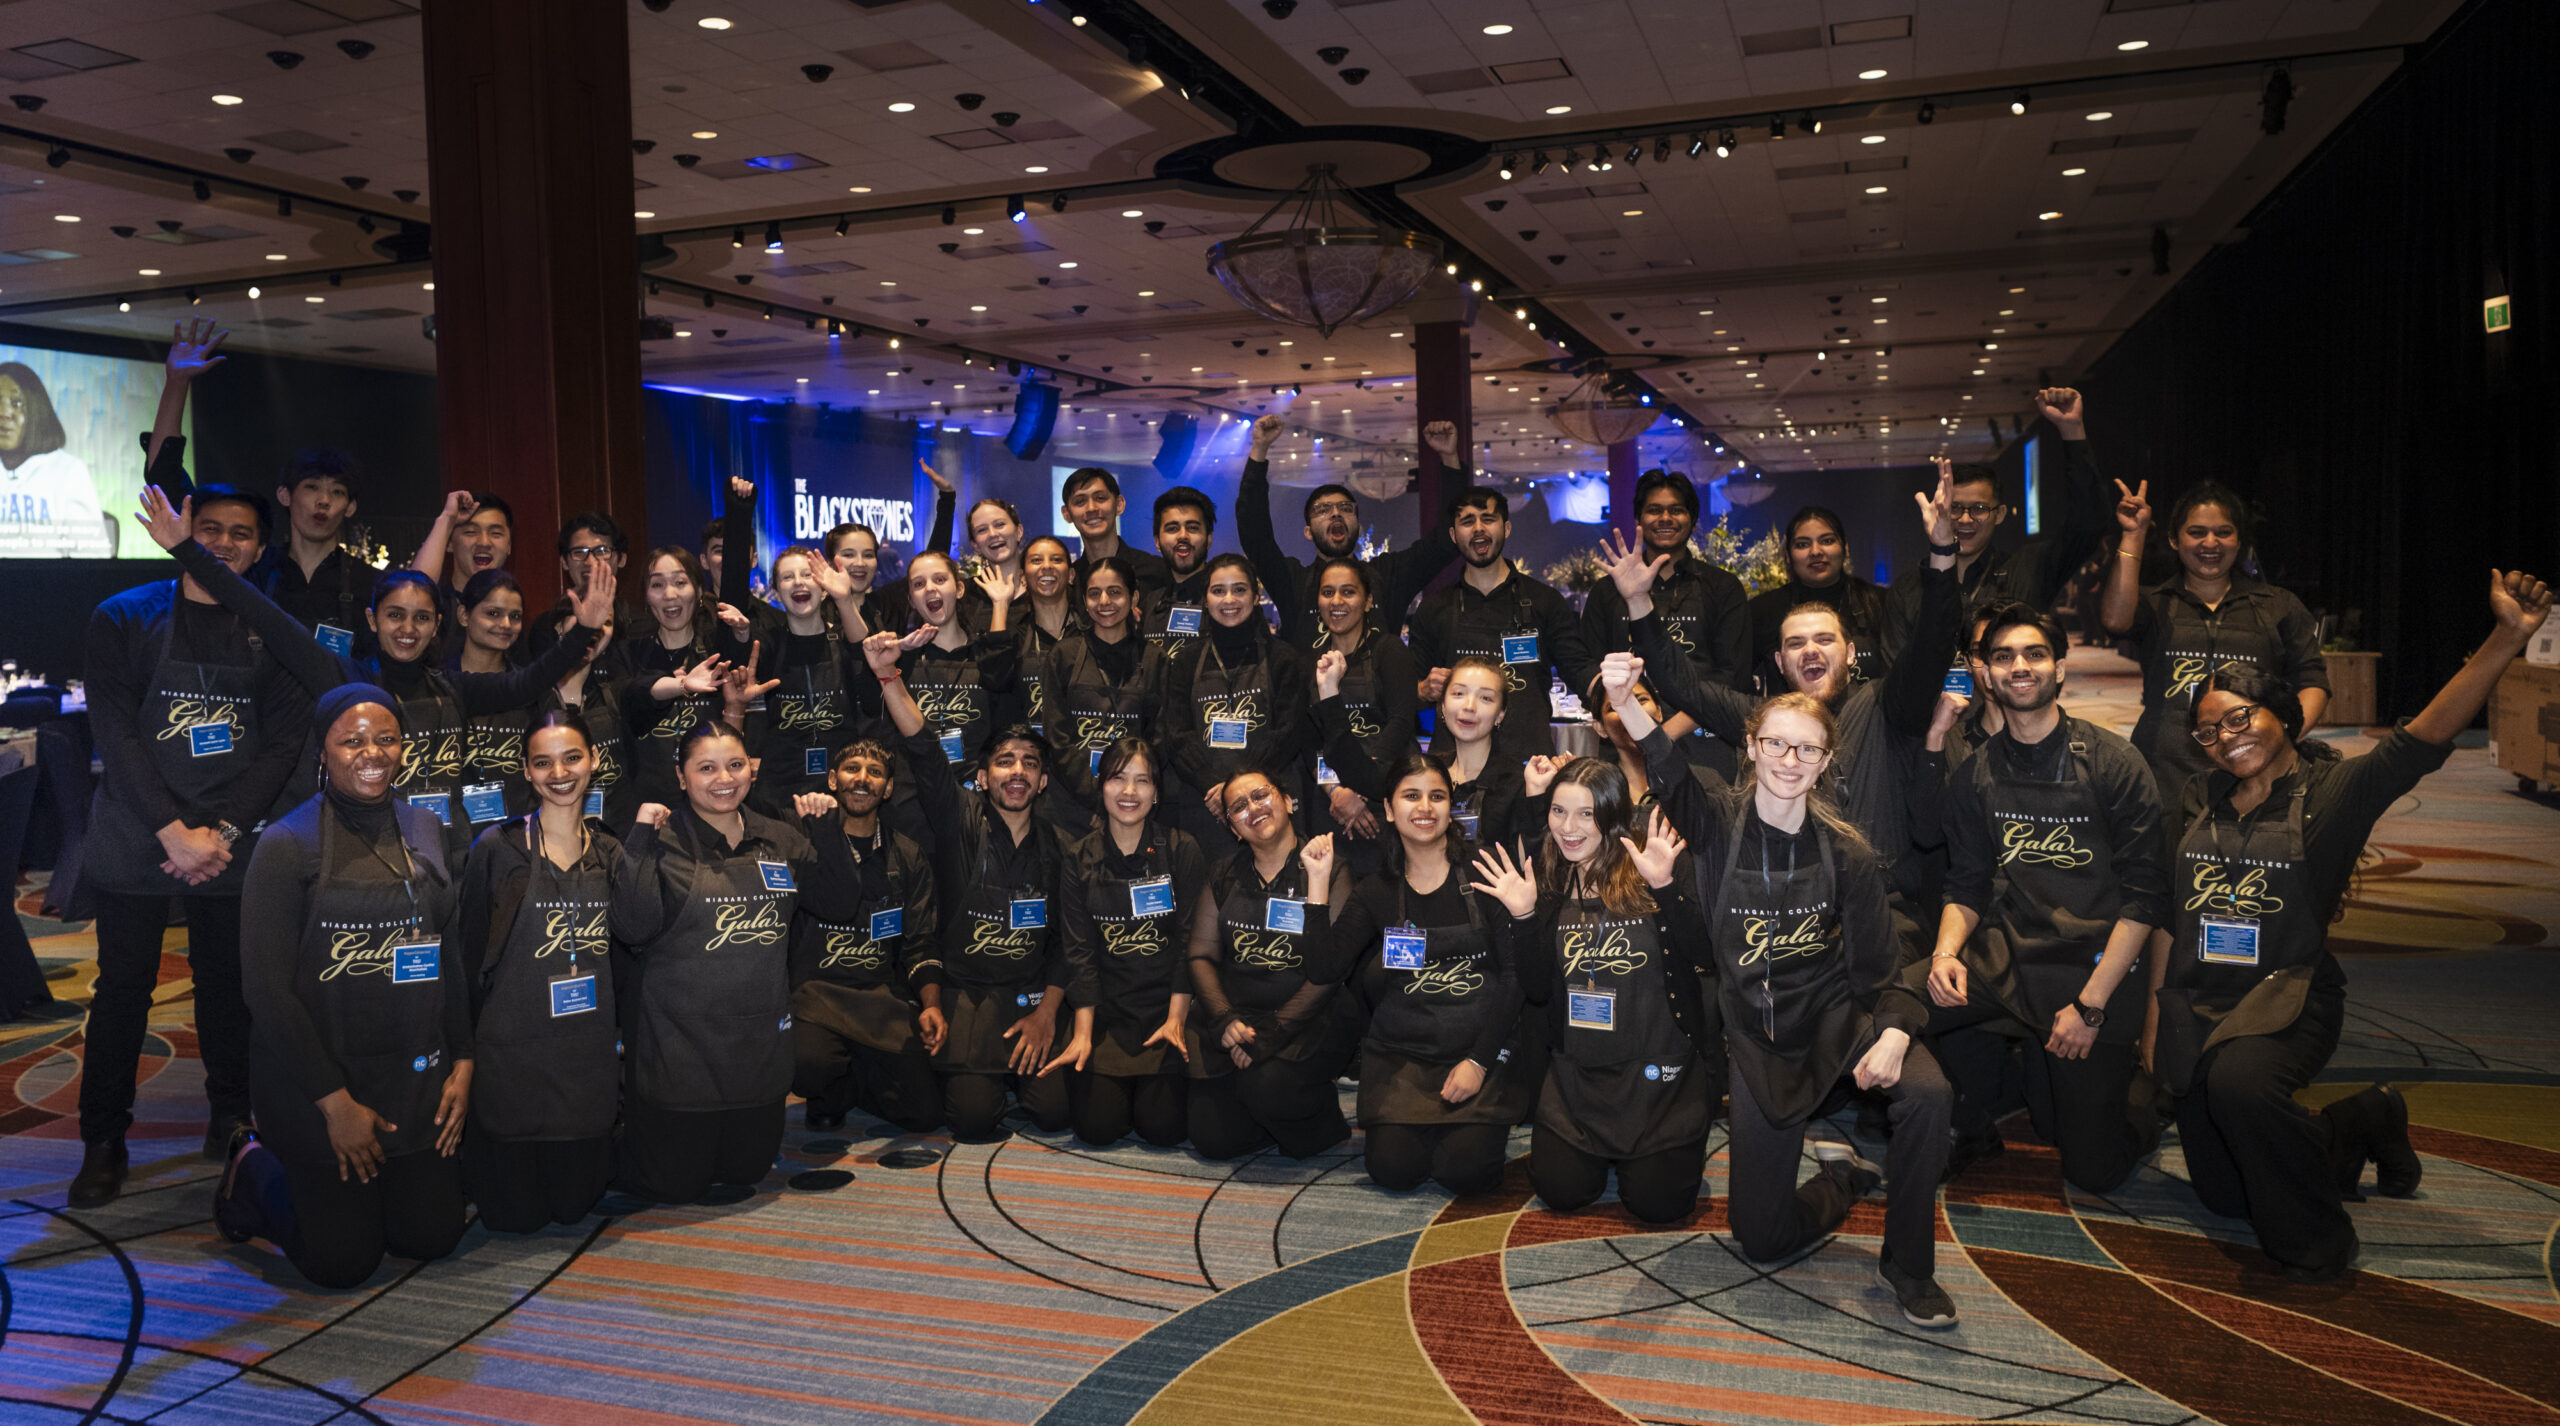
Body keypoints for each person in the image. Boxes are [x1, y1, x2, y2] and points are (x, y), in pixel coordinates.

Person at [2152, 570, 2550, 1283]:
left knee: (2242, 1091)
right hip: (2199, 1002)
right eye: (2209, 730)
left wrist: (2508, 637)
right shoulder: (2196, 796)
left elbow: (2423, 736)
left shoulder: (2333, 793)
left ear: (2283, 715)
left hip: (2287, 1000)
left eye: (2239, 719)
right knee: (2225, 1194)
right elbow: (2167, 915)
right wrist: (2158, 1013)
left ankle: (2320, 1245)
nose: (2223, 738)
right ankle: (2363, 1121)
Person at [1605, 659, 1958, 1327]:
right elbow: (1667, 764)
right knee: (1760, 1238)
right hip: (1759, 1043)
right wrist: (1625, 701)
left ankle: (1909, 1265)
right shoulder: (1712, 826)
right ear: (1751, 748)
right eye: (1776, 743)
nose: (1790, 759)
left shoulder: (1848, 855)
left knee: (1929, 1094)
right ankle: (1847, 1179)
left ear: (1825, 762)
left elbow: (1881, 974)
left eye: (1807, 748)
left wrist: (1893, 1032)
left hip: (1835, 1022)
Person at [69, 482, 313, 1207]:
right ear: (181, 532)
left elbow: (280, 749)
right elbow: (114, 733)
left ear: (261, 548)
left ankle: (230, 1119)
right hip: (139, 831)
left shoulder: (274, 631)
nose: (224, 544)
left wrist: (221, 832)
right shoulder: (123, 617)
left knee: (228, 990)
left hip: (230, 840)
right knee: (121, 994)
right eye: (209, 529)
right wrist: (172, 830)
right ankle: (103, 1140)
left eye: (241, 534)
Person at [143, 488, 614, 864]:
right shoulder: (340, 679)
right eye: (395, 616)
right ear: (372, 621)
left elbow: (528, 682)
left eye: (422, 619)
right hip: (364, 856)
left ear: (437, 627)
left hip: (450, 858)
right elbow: (263, 615)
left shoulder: (454, 687)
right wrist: (187, 550)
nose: (408, 630)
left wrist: (585, 631)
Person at [1607, 466, 1965, 916]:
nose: (1810, 651)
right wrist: (1640, 603)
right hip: (1789, 911)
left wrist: (1943, 553)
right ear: (1779, 662)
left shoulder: (1888, 706)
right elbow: (1685, 686)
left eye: (1825, 640)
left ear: (1851, 653)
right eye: (1795, 643)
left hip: (1883, 910)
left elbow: (1933, 641)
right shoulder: (1762, 719)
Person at [212, 684, 471, 1288]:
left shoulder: (427, 826)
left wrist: (463, 1056)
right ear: (322, 754)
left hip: (411, 1075)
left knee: (430, 1238)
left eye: (385, 739)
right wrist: (335, 1103)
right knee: (342, 1263)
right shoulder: (285, 845)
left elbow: (446, 952)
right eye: (351, 741)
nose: (371, 753)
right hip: (317, 1080)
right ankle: (250, 1169)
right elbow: (267, 993)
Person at [1921, 603, 2166, 1192]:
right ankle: (1964, 1120)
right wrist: (1945, 955)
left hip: (2094, 970)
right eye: (2003, 657)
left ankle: (2153, 1095)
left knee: (2091, 1168)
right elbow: (1968, 884)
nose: (2019, 667)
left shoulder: (2115, 763)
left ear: (2060, 668)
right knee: (1895, 1004)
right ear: (1985, 673)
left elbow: (2143, 899)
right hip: (2012, 957)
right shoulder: (1974, 772)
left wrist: (2090, 1006)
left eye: (2034, 654)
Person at [1467, 759, 1713, 1224]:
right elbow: (1538, 990)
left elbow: (1705, 955)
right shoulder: (1551, 878)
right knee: (1562, 1192)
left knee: (1658, 1205)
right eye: (1559, 812)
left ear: (1612, 814)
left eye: (1586, 814)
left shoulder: (1654, 864)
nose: (1569, 828)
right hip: (1579, 1076)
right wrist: (1522, 919)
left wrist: (1664, 888)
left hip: (1658, 1073)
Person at [866, 629, 1079, 1140]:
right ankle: (987, 1076)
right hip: (968, 998)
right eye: (1005, 761)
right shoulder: (956, 815)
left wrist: (1048, 1013)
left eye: (1030, 764)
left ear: (1043, 781)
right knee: (974, 1122)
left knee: (1055, 1113)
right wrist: (888, 675)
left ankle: (1016, 1071)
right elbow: (922, 746)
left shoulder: (1062, 847)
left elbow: (1068, 946)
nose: (1018, 772)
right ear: (982, 777)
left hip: (1030, 997)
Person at [612, 720, 835, 1204]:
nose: (723, 779)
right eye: (706, 768)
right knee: (677, 1185)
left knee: (745, 1173)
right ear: (681, 776)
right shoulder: (663, 839)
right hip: (679, 1046)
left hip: (756, 1045)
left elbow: (838, 902)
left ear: (752, 771)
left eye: (735, 765)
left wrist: (829, 827)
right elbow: (631, 928)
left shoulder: (781, 837)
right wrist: (638, 842)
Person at [1313, 754, 1530, 1196]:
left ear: (1451, 807)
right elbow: (1325, 968)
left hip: (1479, 1051)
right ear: (1390, 810)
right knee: (1393, 1171)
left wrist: (1478, 1062)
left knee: (1466, 1173)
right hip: (1403, 1059)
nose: (1425, 807)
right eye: (1411, 796)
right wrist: (1318, 888)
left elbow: (1515, 977)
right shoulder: (1377, 890)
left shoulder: (1485, 871)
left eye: (1437, 796)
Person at [454, 712, 621, 1232]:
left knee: (575, 1207)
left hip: (586, 1058)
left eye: (572, 757)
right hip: (513, 1056)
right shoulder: (496, 849)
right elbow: (465, 958)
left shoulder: (613, 853)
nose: (560, 772)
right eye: (542, 762)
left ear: (594, 762)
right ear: (526, 772)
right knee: (514, 1219)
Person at [2099, 478, 2331, 806]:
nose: (2211, 543)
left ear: (2240, 540)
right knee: (2167, 856)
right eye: (2196, 532)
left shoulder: (2278, 605)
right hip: (2164, 771)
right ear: (2174, 539)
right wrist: (2134, 534)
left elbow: (2312, 681)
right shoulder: (2156, 603)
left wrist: (2282, 739)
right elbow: (2115, 620)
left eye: (2223, 532)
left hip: (2252, 769)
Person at [1183, 773, 1357, 1160]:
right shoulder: (1222, 873)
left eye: (1261, 795)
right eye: (1239, 807)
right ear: (1233, 828)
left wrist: (1271, 1035)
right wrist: (1225, 1018)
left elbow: (1330, 971)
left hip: (1311, 1018)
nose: (1253, 808)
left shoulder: (1332, 869)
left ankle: (1316, 1117)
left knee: (1266, 1090)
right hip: (1240, 1014)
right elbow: (1201, 955)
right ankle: (1263, 1105)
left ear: (1289, 801)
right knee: (1213, 1140)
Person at [1054, 738, 1210, 1147]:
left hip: (1165, 1011)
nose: (1129, 792)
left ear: (1156, 793)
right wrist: (1083, 1032)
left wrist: (1176, 1018)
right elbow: (1079, 951)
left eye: (1142, 781)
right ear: (1101, 785)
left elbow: (1188, 944)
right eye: (1118, 779)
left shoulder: (1182, 849)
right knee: (1097, 1129)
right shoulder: (1077, 857)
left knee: (1163, 1129)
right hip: (1106, 1013)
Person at [786, 738, 941, 1134]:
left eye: (875, 773)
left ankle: (850, 1081)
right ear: (833, 779)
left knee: (924, 1116)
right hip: (814, 997)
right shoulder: (801, 842)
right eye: (852, 768)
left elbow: (920, 942)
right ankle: (830, 1083)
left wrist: (930, 1004)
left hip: (878, 999)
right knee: (808, 1067)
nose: (862, 779)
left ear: (888, 788)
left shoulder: (907, 855)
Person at [1885, 388, 2112, 653]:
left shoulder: (2029, 569)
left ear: (2000, 514)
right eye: (1954, 508)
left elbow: (2088, 524)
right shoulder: (1907, 591)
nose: (1966, 519)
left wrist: (2072, 431)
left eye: (1979, 508)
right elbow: (1896, 676)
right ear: (1939, 511)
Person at [1407, 487, 1600, 771]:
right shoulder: (1435, 608)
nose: (1478, 529)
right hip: (1453, 767)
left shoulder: (1543, 601)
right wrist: (1423, 689)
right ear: (1453, 535)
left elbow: (1579, 669)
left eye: (1488, 519)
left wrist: (1611, 696)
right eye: (1467, 521)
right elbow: (1406, 691)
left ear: (1506, 528)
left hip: (1530, 767)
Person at [1236, 415, 1473, 643]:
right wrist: (1259, 450)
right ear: (1308, 532)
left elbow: (1447, 540)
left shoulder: (1389, 576)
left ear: (1359, 529)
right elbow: (1254, 534)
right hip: (1308, 686)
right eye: (1323, 510)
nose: (1336, 513)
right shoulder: (1292, 581)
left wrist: (1449, 458)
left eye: (1345, 508)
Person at [1580, 470, 1751, 777]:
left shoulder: (1721, 587)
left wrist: (1664, 734)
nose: (1665, 518)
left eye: (1676, 509)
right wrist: (1632, 727)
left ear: (1692, 519)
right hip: (1625, 743)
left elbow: (1732, 677)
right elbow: (1589, 667)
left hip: (1704, 740)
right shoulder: (1607, 592)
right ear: (1639, 519)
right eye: (1654, 510)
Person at [1160, 553, 1313, 859]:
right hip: (1206, 804)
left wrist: (1237, 790)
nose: (1229, 599)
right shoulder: (1186, 661)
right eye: (1218, 590)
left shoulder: (1282, 658)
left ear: (1256, 596)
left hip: (1266, 803)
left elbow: (1288, 731)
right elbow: (1176, 734)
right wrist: (1215, 788)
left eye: (1239, 589)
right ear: (1205, 598)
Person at [1319, 652, 1520, 851]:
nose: (1469, 706)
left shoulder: (1517, 783)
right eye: (1458, 693)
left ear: (1500, 715)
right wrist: (1328, 691)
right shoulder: (1422, 770)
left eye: (1485, 698)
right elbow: (1358, 771)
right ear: (1442, 704)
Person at [1301, 558, 1418, 877]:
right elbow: (1310, 742)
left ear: (1368, 601)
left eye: (1348, 592)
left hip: (1386, 797)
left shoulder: (1390, 650)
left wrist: (1362, 786)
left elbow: (1401, 722)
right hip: (1332, 805)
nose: (1336, 602)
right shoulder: (1311, 663)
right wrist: (1337, 791)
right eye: (1327, 592)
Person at [622, 546, 753, 814]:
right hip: (648, 808)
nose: (670, 595)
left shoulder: (718, 653)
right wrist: (682, 685)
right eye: (657, 584)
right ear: (646, 596)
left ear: (697, 589)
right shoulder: (630, 652)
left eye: (680, 582)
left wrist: (742, 636)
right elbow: (633, 695)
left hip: (714, 804)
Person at [1040, 556, 1163, 833]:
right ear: (1084, 601)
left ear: (1134, 598)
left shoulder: (1155, 659)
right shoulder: (1064, 656)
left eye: (1115, 592)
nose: (1104, 601)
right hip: (1069, 808)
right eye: (1094, 594)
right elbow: (1057, 739)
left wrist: (1121, 797)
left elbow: (1159, 737)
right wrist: (1099, 799)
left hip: (1132, 807)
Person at [749, 545, 877, 811]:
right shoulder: (767, 646)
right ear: (775, 591)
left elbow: (863, 655)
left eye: (807, 575)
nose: (798, 582)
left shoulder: (845, 637)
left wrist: (845, 599)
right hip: (779, 791)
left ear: (824, 586)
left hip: (843, 787)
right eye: (787, 577)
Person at [1745, 506, 1894, 690]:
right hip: (1791, 716)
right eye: (1802, 544)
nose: (1815, 551)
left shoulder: (1879, 603)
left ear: (1845, 548)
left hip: (1870, 716)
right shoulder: (1762, 610)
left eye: (1827, 541)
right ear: (1789, 556)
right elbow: (1739, 680)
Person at [0, 355, 108, 557]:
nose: (4, 413)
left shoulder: (68, 471)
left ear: (36, 410)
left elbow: (93, 558)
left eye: (16, 403)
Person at [1060, 467, 1170, 603]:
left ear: (1119, 504)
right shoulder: (1068, 582)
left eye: (1100, 498)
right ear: (1066, 514)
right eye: (1080, 501)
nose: (1091, 508)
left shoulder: (1156, 571)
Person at [1011, 533, 1078, 738]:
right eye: (1036, 560)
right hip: (1032, 755)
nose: (1047, 566)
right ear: (1022, 577)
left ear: (1071, 575)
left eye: (1056, 560)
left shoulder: (1091, 632)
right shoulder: (1016, 637)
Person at [1140, 486, 1217, 651]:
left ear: (1209, 539)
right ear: (1157, 542)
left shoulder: (1224, 600)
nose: (1183, 536)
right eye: (1172, 528)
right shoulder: (1150, 604)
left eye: (1193, 528)